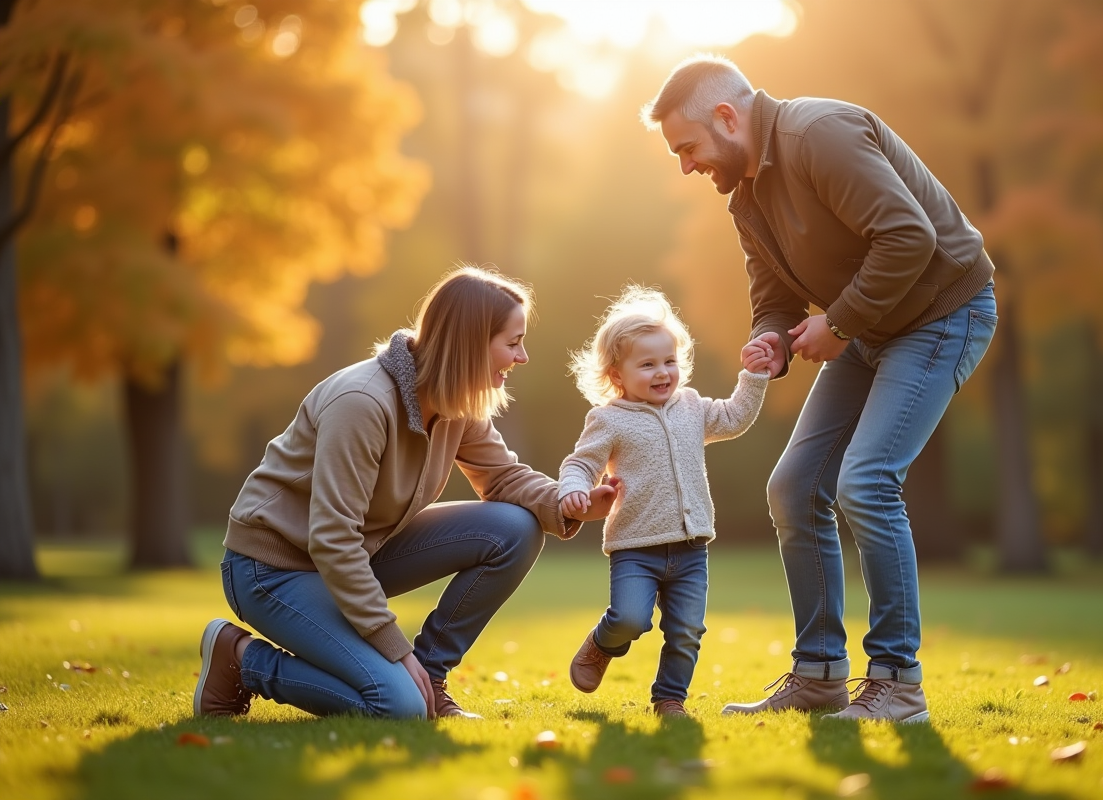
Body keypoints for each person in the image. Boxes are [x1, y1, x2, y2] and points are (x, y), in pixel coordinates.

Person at [641, 56, 999, 723]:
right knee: (793, 485)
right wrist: (773, 339)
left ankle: (898, 684)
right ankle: (819, 675)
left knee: (865, 480)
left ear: (727, 116)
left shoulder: (818, 135)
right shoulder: (745, 194)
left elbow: (907, 237)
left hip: (942, 311)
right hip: (871, 324)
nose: (686, 165)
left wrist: (836, 323)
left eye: (687, 148)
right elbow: (773, 295)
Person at [193, 266, 618, 721]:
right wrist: (393, 645)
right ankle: (241, 660)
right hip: (273, 570)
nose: (522, 356)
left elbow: (504, 478)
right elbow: (333, 537)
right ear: (471, 343)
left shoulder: (456, 400)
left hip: (358, 552)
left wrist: (567, 503)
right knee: (396, 706)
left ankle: (430, 680)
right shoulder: (361, 402)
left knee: (514, 528)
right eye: (512, 343)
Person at [557, 286, 772, 717]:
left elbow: (733, 417)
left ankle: (669, 698)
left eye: (670, 361)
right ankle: (601, 643)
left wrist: (753, 376)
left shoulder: (691, 406)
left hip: (692, 548)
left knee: (687, 630)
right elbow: (581, 463)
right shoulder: (608, 419)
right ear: (617, 375)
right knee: (630, 618)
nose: (663, 372)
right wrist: (572, 489)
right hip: (636, 547)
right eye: (648, 364)